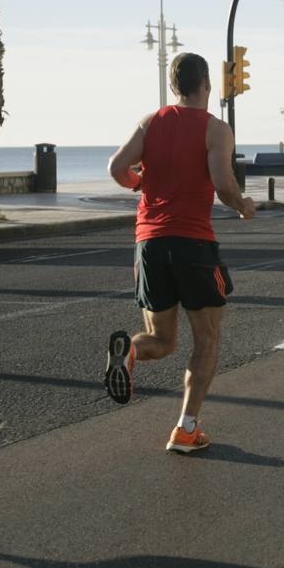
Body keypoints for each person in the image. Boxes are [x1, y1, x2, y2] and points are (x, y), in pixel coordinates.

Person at [104, 52, 257, 454]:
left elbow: (116, 167)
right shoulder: (216, 130)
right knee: (206, 340)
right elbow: (223, 184)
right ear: (206, 84)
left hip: (149, 242)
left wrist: (140, 184)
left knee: (162, 339)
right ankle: (186, 429)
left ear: (174, 87)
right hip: (192, 243)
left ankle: (132, 351)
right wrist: (243, 205)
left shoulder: (150, 122)